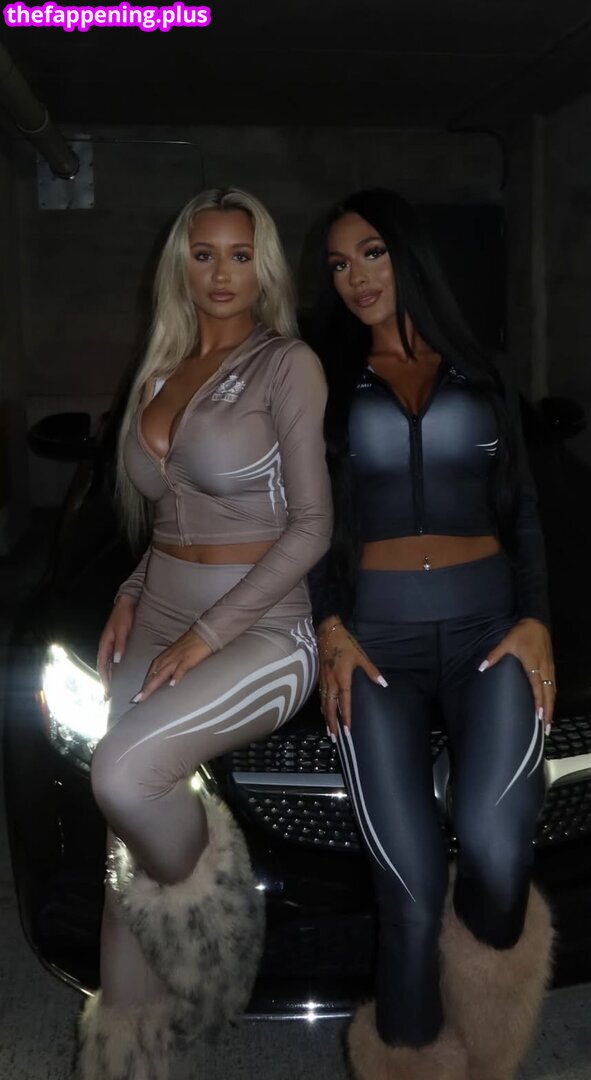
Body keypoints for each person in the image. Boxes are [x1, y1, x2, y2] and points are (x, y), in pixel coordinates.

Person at [77, 187, 332, 1079]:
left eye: (238, 254)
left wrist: (211, 632)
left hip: (262, 628)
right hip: (156, 613)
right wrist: (131, 589)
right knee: (122, 848)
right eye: (203, 253)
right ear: (179, 265)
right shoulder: (161, 368)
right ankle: (130, 1057)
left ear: (263, 267)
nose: (221, 273)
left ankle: (215, 929)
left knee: (123, 775)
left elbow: (311, 528)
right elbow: (169, 520)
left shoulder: (286, 365)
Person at [306, 188, 555, 1080]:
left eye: (371, 252)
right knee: (406, 893)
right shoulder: (326, 385)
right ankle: (410, 1062)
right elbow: (310, 523)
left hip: (490, 632)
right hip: (376, 647)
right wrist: (329, 627)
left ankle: (482, 1002)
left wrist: (537, 619)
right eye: (339, 264)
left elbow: (523, 511)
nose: (356, 277)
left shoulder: (482, 374)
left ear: (406, 253)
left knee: (494, 849)